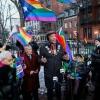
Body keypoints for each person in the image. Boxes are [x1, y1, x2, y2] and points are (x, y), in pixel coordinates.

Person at [40, 31, 67, 100]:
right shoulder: (43, 47)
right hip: (49, 72)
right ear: (48, 38)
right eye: (52, 36)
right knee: (50, 90)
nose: (54, 37)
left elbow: (64, 57)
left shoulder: (60, 46)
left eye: (55, 36)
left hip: (58, 72)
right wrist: (41, 61)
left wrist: (66, 58)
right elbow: (39, 59)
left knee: (58, 89)